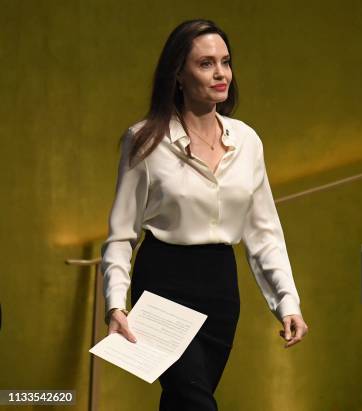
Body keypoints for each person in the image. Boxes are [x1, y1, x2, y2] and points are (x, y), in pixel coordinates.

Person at [100, 18, 308, 411]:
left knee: (182, 402)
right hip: (163, 282)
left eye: (225, 62)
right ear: (178, 74)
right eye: (206, 63)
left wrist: (287, 302)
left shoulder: (247, 141)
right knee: (196, 403)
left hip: (220, 288)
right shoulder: (145, 140)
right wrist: (115, 303)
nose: (221, 74)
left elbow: (264, 233)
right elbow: (121, 234)